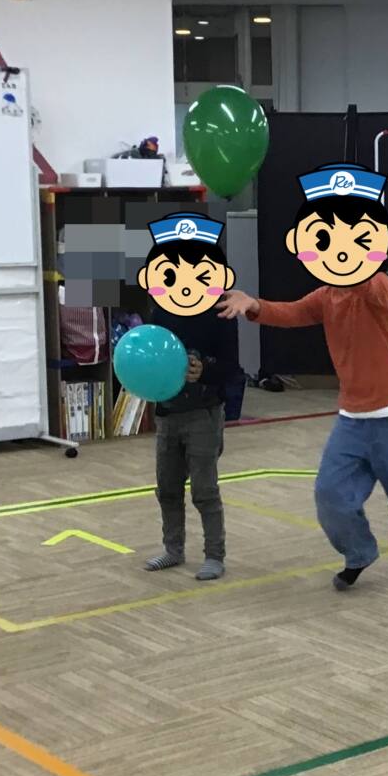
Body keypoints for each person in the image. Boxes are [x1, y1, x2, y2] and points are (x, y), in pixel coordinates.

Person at [217, 165, 388, 590]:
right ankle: (360, 552)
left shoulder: (377, 287)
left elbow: (367, 277)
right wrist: (253, 304)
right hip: (353, 420)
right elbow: (290, 313)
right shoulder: (326, 295)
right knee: (330, 496)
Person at [135, 213, 242, 581]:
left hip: (204, 414)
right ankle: (173, 550)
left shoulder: (221, 311)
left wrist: (205, 370)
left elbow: (232, 368)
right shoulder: (160, 310)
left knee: (204, 490)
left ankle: (215, 555)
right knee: (167, 487)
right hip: (167, 414)